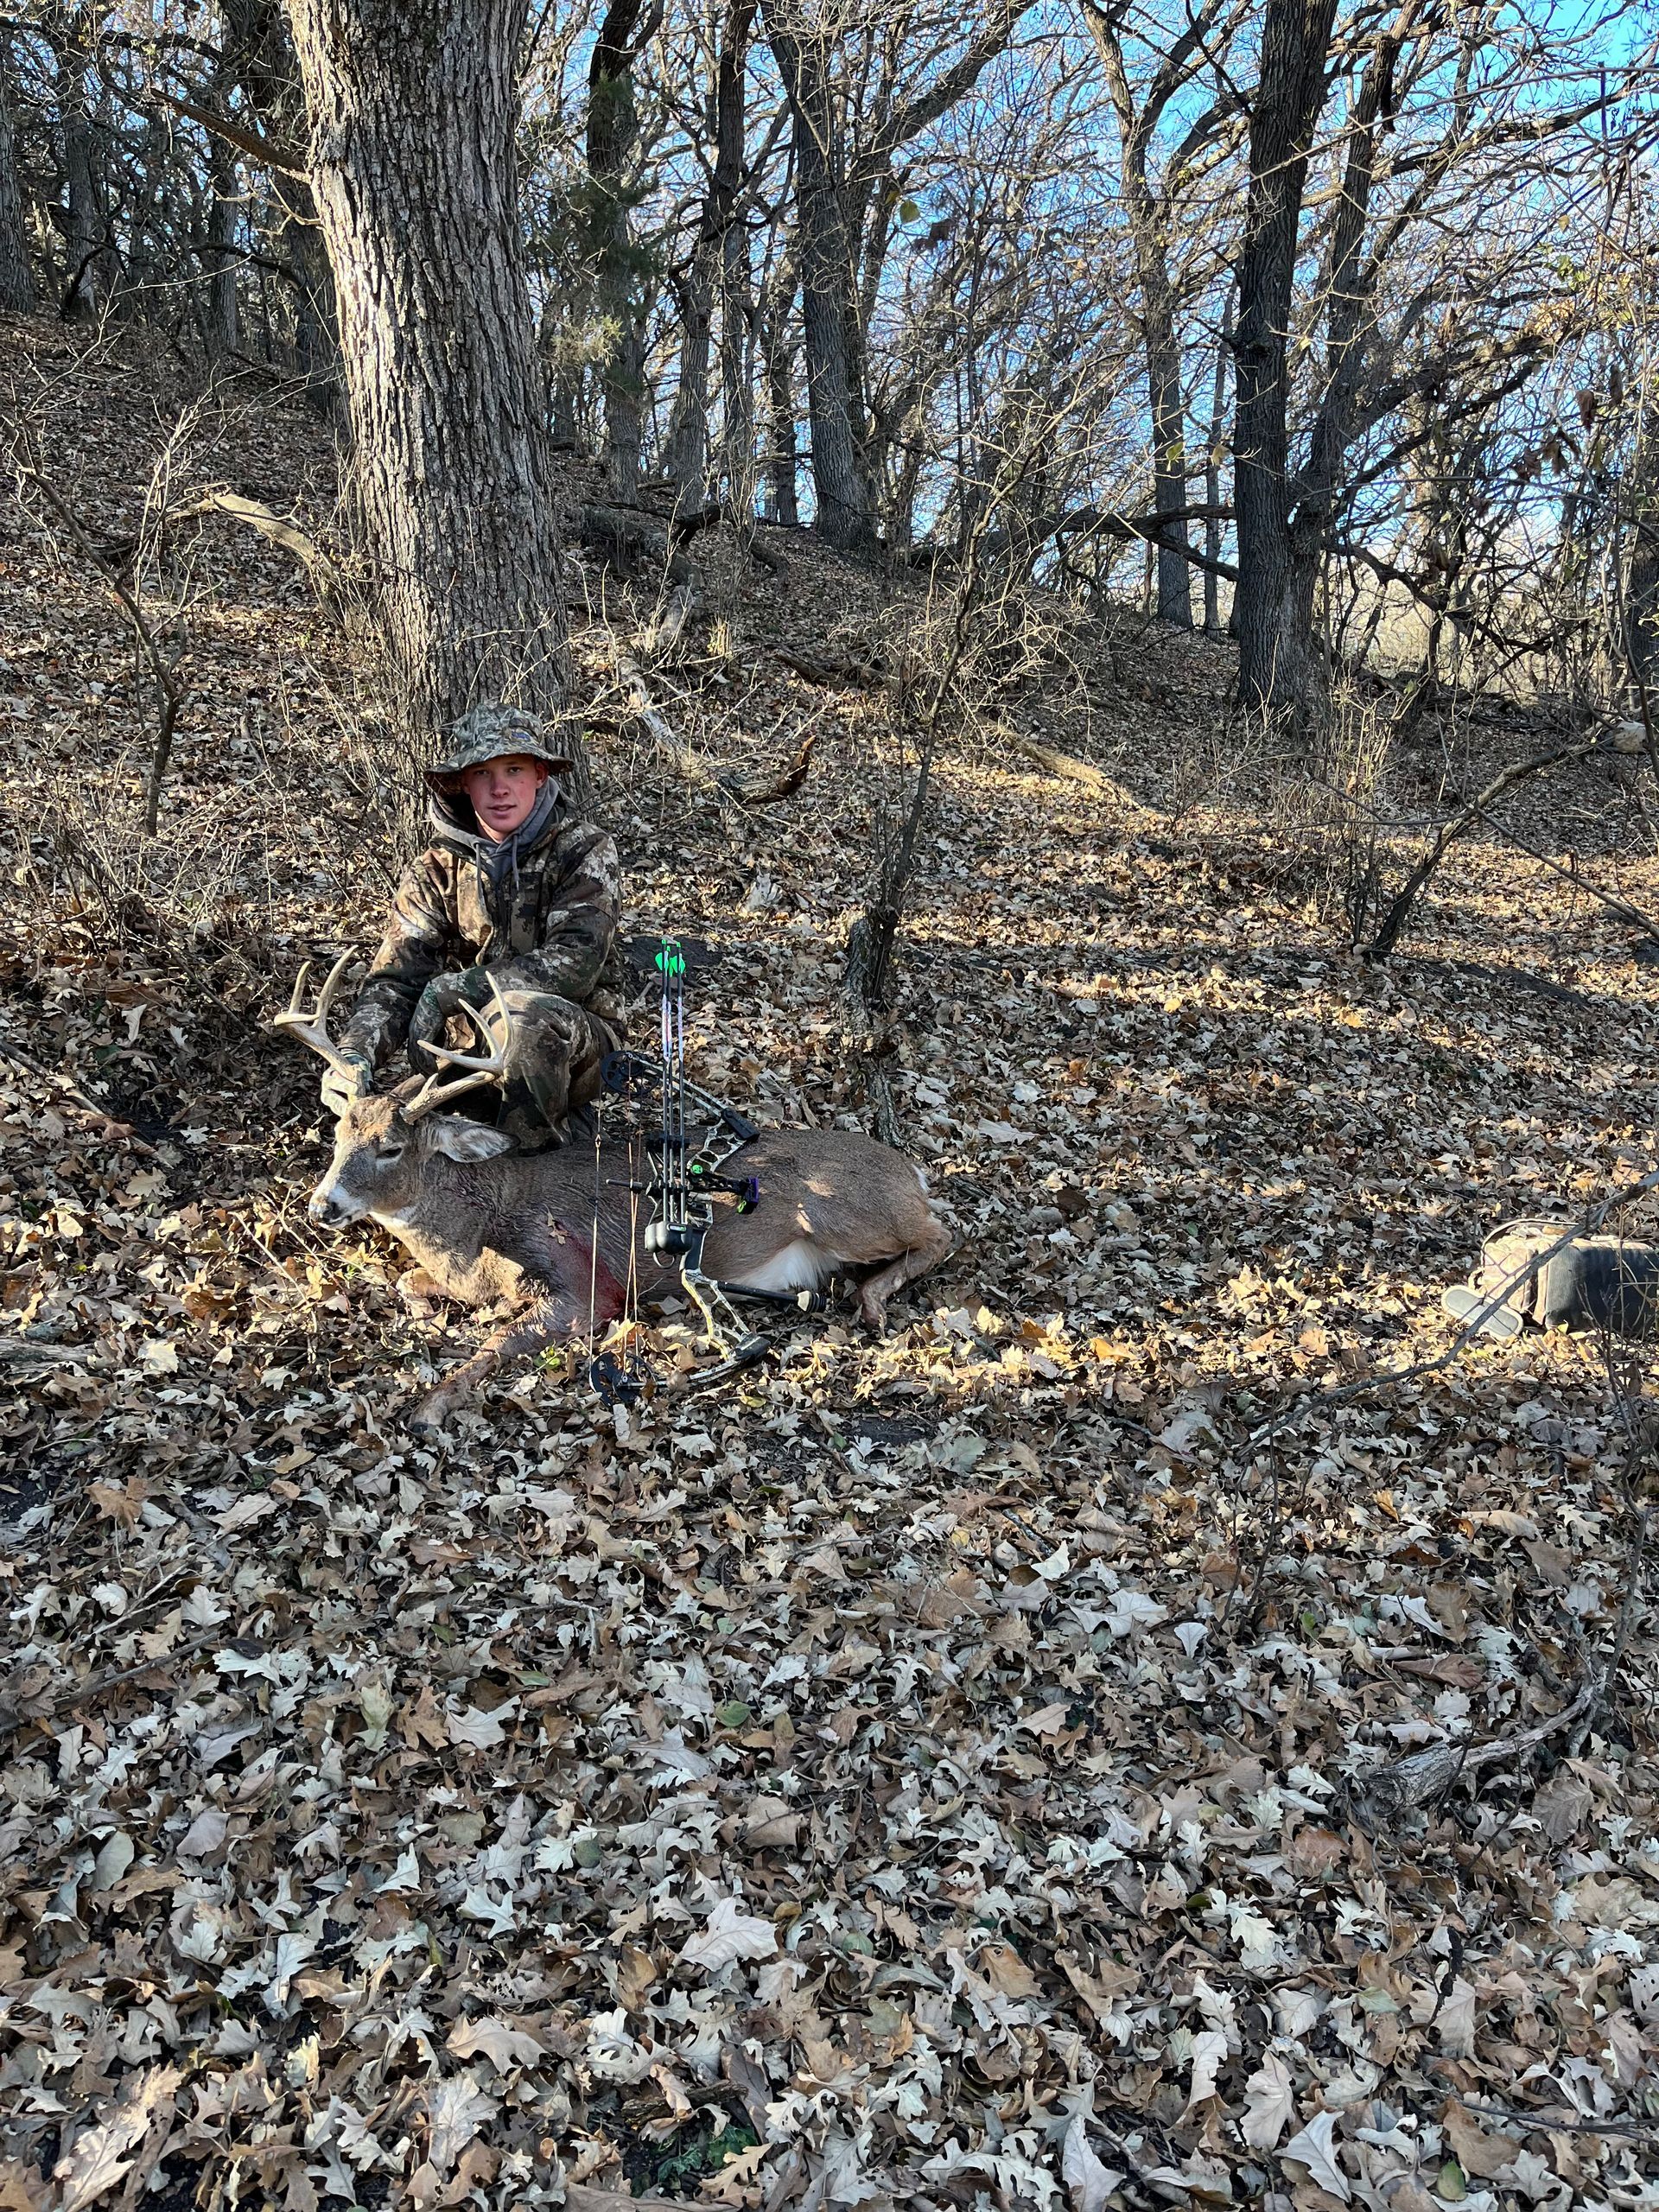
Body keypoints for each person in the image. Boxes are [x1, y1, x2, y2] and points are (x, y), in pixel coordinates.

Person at [325, 702, 625, 1148]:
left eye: (514, 770)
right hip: (462, 1052)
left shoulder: (584, 851)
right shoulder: (435, 869)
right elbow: (395, 980)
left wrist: (454, 989)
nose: (500, 789)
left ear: (540, 774)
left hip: (577, 1045)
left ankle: (532, 1173)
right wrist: (355, 1055)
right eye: (483, 774)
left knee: (521, 1019)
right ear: (463, 783)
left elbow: (576, 965)